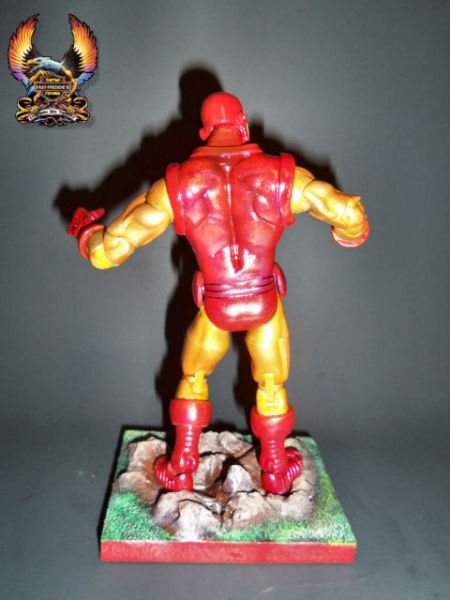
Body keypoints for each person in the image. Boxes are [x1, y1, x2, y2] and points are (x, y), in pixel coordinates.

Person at [69, 92, 369, 494]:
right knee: (271, 383)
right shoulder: (281, 175)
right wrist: (349, 233)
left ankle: (181, 465)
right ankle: (275, 466)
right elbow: (349, 213)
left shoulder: (178, 185)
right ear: (243, 124)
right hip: (263, 301)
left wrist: (86, 233)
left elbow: (110, 251)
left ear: (203, 132)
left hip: (216, 302)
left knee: (193, 375)